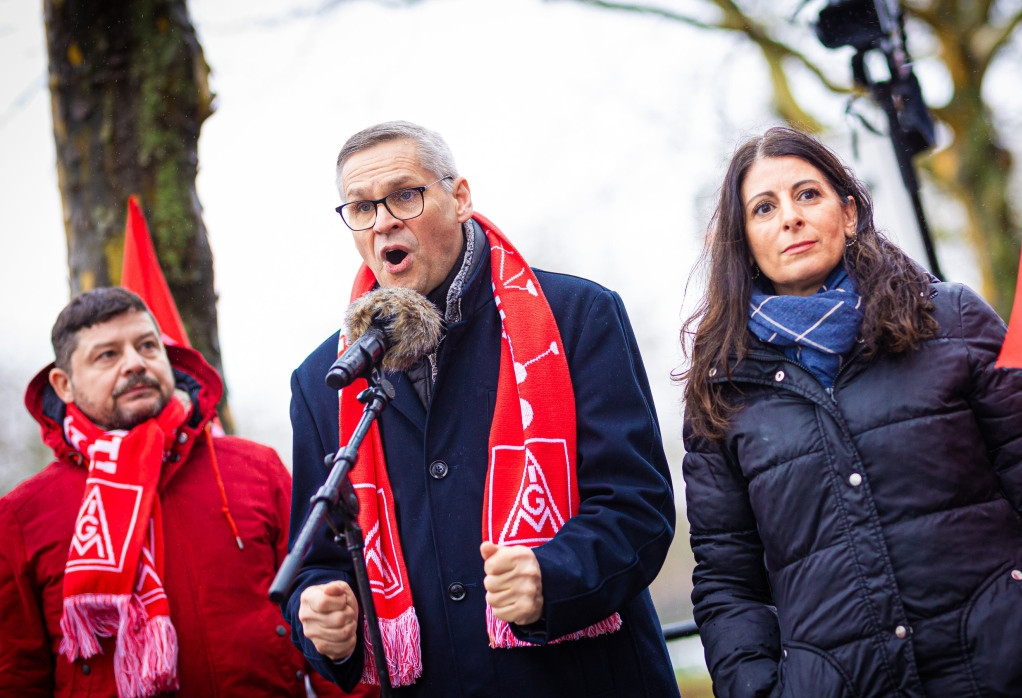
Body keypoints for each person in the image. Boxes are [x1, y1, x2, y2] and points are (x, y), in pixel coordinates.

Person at [678, 126, 1022, 697]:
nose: (790, 217)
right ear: (744, 240)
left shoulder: (955, 321)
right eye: (764, 208)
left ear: (848, 213)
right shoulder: (721, 390)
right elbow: (728, 584)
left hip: (1013, 672)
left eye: (807, 194)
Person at [283, 121, 679, 696]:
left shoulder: (578, 316)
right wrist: (317, 619)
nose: (384, 220)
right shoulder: (325, 382)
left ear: (460, 197)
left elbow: (638, 509)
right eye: (362, 207)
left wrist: (554, 576)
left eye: (404, 195)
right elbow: (318, 561)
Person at [0, 287, 365, 697]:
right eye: (108, 355)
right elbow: (16, 675)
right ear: (63, 384)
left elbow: (326, 608)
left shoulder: (256, 469)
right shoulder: (21, 516)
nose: (135, 363)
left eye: (147, 346)